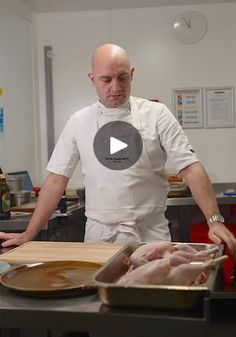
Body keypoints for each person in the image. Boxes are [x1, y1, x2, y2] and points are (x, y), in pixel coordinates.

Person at [0, 43, 236, 257]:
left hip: (150, 235)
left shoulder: (157, 114)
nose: (116, 87)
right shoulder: (79, 121)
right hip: (99, 238)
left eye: (122, 77)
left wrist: (214, 220)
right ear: (92, 79)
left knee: (149, 300)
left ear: (132, 74)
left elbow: (190, 168)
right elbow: (55, 181)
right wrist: (28, 234)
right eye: (106, 79)